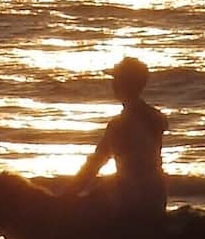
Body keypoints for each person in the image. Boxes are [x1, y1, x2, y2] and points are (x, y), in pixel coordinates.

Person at [65, 57, 170, 229]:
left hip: (131, 198)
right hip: (157, 195)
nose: (113, 84)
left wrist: (68, 194)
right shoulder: (155, 118)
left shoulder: (119, 124)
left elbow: (96, 163)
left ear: (122, 85)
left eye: (116, 80)